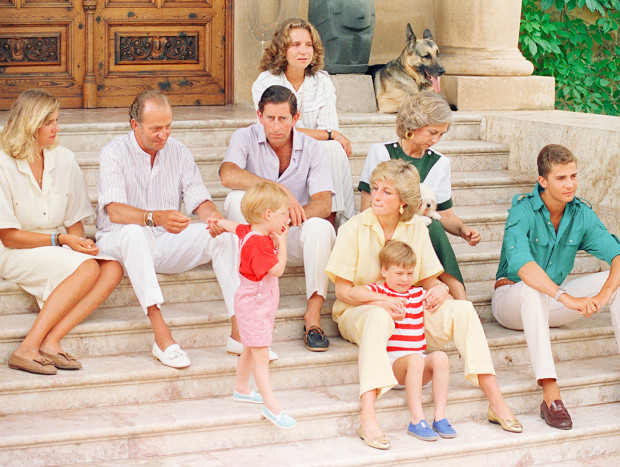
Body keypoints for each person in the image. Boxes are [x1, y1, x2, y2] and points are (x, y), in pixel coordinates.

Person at [325, 159, 521, 449]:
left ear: (403, 201)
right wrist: (382, 299)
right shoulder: (353, 228)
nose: (376, 196)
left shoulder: (416, 227)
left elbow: (431, 279)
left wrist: (441, 290)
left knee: (463, 309)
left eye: (386, 192)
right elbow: (343, 291)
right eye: (375, 188)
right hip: (359, 311)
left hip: (408, 313)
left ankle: (496, 400)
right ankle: (368, 416)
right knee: (378, 317)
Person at [95, 89, 238, 369]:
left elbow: (201, 200)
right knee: (136, 233)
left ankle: (240, 332)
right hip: (118, 240)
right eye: (156, 128)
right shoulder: (113, 152)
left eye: (168, 126)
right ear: (134, 125)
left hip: (165, 242)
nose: (164, 134)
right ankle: (162, 336)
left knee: (224, 239)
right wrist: (154, 217)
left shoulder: (179, 151)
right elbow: (114, 211)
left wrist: (214, 219)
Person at [492, 144, 620, 430]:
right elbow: (524, 267)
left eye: (573, 176)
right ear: (543, 181)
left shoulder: (580, 213)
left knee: (618, 283)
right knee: (532, 288)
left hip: (552, 304)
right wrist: (566, 297)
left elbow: (617, 255)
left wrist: (604, 294)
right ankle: (550, 395)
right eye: (561, 178)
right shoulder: (521, 211)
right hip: (511, 300)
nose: (570, 184)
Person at [0, 89, 123, 375]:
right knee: (88, 270)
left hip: (57, 245)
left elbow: (74, 222)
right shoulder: (3, 163)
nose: (57, 128)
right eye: (49, 122)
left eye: (57, 119)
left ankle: (52, 341)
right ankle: (27, 347)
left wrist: (80, 245)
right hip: (16, 250)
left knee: (112, 268)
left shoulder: (64, 159)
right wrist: (62, 241)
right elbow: (8, 236)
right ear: (29, 125)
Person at [220, 85, 336, 353]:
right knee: (235, 200)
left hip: (287, 234)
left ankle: (313, 318)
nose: (275, 126)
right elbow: (227, 174)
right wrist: (277, 189)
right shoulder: (244, 137)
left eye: (283, 118)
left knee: (321, 227)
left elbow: (324, 202)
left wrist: (296, 216)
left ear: (296, 119)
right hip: (254, 236)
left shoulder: (313, 148)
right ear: (259, 116)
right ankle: (252, 290)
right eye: (269, 118)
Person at [359, 91, 480, 300]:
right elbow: (366, 207)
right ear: (412, 126)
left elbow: (445, 214)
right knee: (428, 226)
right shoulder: (381, 152)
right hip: (386, 229)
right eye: (432, 132)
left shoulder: (440, 163)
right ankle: (460, 296)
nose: (436, 139)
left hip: (422, 233)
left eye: (441, 134)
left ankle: (457, 297)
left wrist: (462, 229)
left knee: (431, 225)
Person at [208, 181, 296, 429]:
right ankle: (272, 405)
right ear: (268, 215)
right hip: (256, 304)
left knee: (249, 346)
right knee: (261, 354)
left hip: (255, 302)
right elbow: (277, 269)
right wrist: (284, 243)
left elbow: (235, 227)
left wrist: (218, 223)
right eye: (283, 214)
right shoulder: (258, 242)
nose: (286, 220)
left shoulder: (251, 232)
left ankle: (241, 389)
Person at [346, 241, 454, 444]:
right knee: (415, 360)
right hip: (394, 366)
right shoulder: (381, 292)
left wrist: (443, 288)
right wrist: (381, 301)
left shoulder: (417, 293)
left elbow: (442, 294)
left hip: (418, 364)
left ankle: (440, 417)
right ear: (384, 271)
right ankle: (416, 419)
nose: (405, 279)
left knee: (440, 357)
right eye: (399, 274)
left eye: (410, 274)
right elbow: (354, 292)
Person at [252, 17, 355, 227]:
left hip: (316, 152)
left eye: (309, 45)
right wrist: (330, 135)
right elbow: (282, 130)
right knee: (331, 145)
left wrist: (330, 135)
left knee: (333, 150)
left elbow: (329, 127)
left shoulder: (322, 82)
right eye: (295, 45)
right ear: (282, 49)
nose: (303, 51)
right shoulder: (267, 81)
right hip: (279, 149)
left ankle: (332, 222)